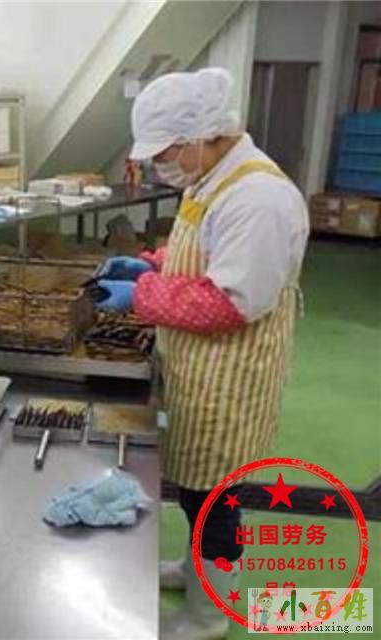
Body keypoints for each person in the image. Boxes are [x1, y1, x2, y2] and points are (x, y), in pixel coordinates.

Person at [95, 68, 308, 640]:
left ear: (197, 137)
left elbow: (229, 301)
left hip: (232, 374)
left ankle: (209, 615)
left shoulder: (258, 199)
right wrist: (150, 263)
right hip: (200, 366)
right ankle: (195, 573)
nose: (162, 164)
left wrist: (140, 295)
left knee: (216, 500)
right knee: (197, 493)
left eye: (166, 152)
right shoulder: (213, 176)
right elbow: (201, 250)